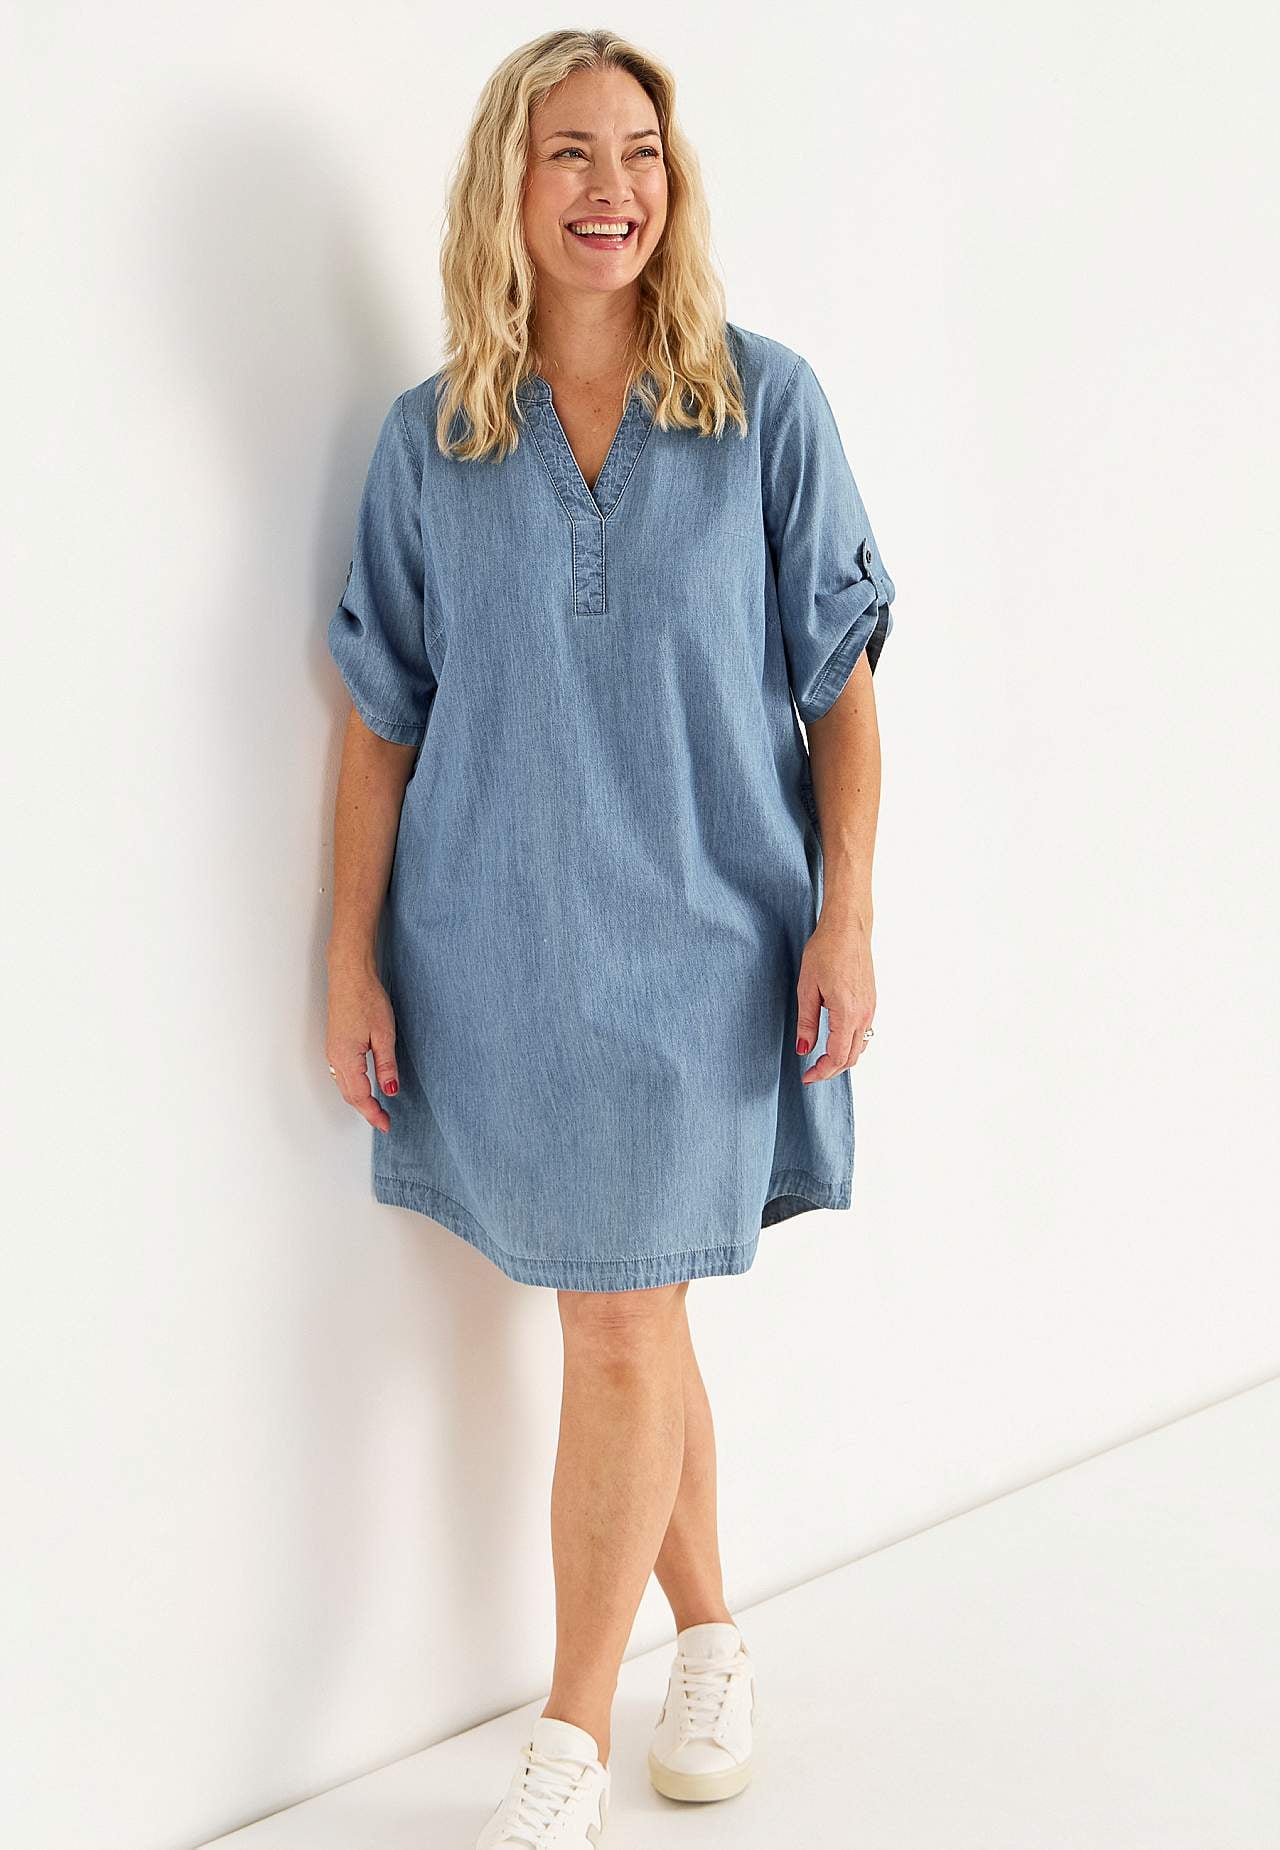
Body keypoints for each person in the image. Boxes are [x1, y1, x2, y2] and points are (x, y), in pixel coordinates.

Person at [323, 27, 897, 1849]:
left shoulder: (764, 406)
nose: (610, 187)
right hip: (498, 950)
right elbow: (380, 719)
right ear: (509, 182)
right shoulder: (433, 442)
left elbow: (843, 689)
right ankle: (710, 1635)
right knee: (628, 1307)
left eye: (639, 151)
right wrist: (348, 953)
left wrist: (849, 913)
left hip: (710, 947)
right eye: (569, 151)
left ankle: (568, 1739)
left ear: (675, 179)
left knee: (623, 1322)